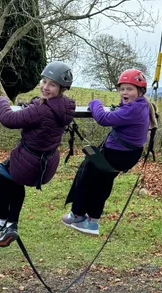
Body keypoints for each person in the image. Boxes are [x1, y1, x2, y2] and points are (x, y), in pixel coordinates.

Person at [0, 61, 75, 247]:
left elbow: (9, 119)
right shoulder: (65, 106)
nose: (45, 87)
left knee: (6, 177)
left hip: (28, 160)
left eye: (52, 84)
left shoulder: (41, 110)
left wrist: (0, 100)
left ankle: (6, 221)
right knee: (10, 178)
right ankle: (7, 222)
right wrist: (32, 104)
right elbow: (41, 111)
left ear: (61, 88)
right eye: (44, 81)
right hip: (47, 163)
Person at [62, 69, 150, 236]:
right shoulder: (141, 105)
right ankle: (92, 221)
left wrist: (94, 103)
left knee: (86, 174)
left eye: (129, 89)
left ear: (140, 92)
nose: (125, 92)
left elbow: (103, 119)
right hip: (127, 155)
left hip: (117, 154)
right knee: (102, 182)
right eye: (122, 89)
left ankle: (77, 214)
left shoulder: (132, 110)